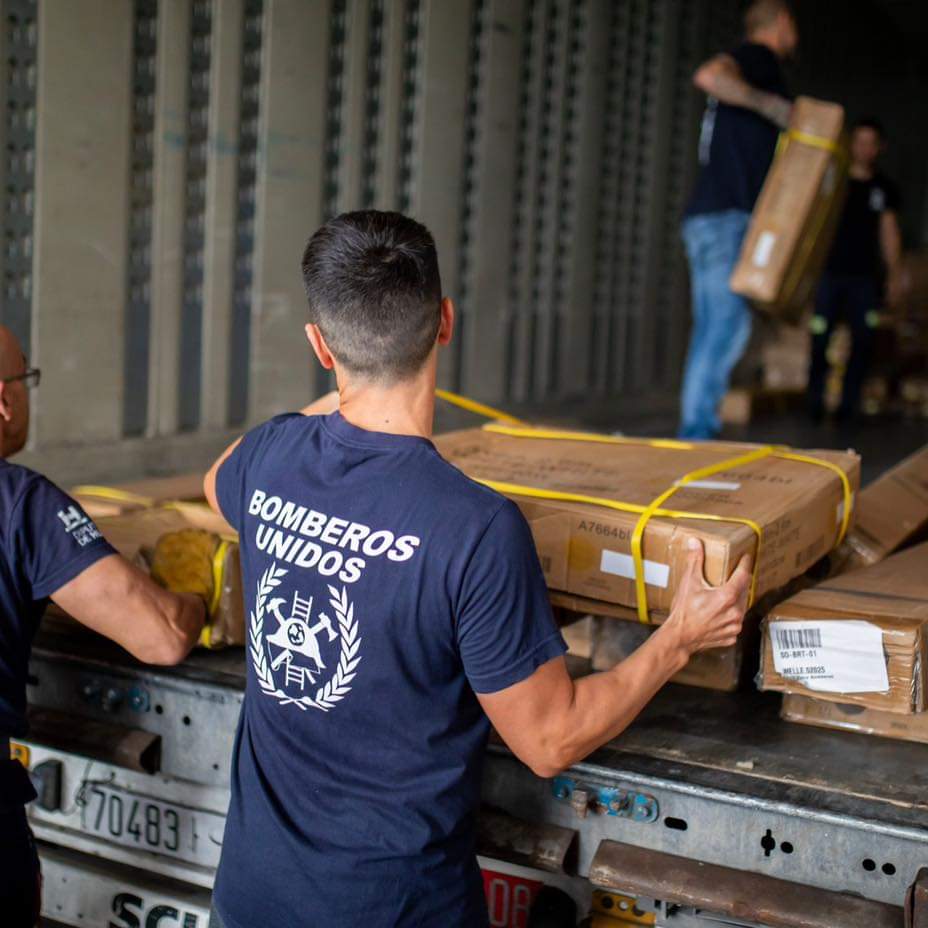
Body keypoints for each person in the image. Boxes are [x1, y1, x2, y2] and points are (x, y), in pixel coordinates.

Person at [203, 210, 752, 928]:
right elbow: (550, 741)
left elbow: (216, 483)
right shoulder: (474, 526)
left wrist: (346, 379)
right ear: (446, 323)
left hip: (251, 899)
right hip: (392, 913)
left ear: (319, 344)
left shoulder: (272, 455)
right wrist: (679, 637)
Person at [0, 325, 207, 927]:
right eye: (24, 379)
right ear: (5, 399)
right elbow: (161, 636)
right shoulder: (22, 505)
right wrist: (194, 595)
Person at [679, 0, 798, 438]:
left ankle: (694, 433)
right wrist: (774, 108)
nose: (795, 38)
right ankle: (695, 435)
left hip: (712, 216)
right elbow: (709, 76)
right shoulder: (758, 58)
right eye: (793, 27)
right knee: (726, 324)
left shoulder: (755, 64)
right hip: (725, 217)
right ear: (781, 22)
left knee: (716, 325)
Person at [807, 118, 903, 422]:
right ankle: (814, 403)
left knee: (862, 341)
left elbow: (889, 233)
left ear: (879, 148)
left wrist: (894, 274)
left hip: (864, 278)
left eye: (870, 143)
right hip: (828, 274)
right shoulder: (832, 181)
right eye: (858, 141)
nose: (863, 149)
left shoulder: (883, 189)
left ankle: (848, 408)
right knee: (821, 337)